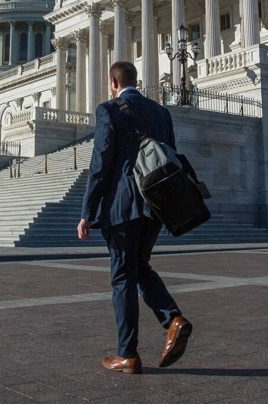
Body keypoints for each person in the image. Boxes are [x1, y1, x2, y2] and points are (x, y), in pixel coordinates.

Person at [76, 61, 192, 374]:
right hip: (155, 204)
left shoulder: (109, 110)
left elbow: (101, 164)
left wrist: (87, 213)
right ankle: (173, 320)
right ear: (134, 81)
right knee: (139, 266)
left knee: (123, 278)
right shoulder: (161, 112)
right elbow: (170, 154)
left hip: (122, 207)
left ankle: (127, 353)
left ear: (113, 83)